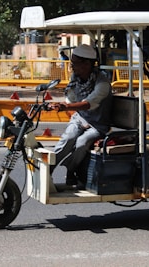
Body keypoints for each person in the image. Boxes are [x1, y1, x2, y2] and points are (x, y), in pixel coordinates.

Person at [50, 44, 113, 187]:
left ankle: (71, 171)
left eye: (75, 64)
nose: (72, 67)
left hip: (98, 124)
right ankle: (48, 170)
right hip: (80, 117)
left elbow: (87, 104)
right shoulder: (76, 78)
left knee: (82, 143)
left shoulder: (102, 83)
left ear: (87, 64)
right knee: (68, 138)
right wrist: (58, 104)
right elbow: (71, 98)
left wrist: (65, 107)